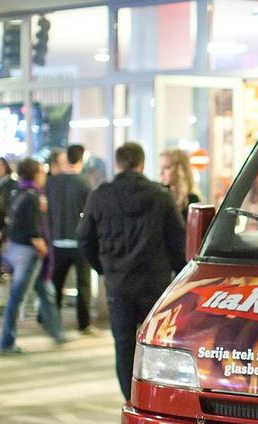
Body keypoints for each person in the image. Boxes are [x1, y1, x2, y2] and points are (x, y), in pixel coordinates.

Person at [78, 142, 186, 399]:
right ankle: (156, 400)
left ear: (117, 164)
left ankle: (131, 399)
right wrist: (177, 276)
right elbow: (178, 241)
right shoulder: (160, 196)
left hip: (119, 284)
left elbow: (84, 239)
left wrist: (103, 268)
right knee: (158, 346)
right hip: (155, 284)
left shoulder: (99, 196)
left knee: (124, 346)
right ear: (142, 164)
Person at [0, 158, 66, 353]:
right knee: (17, 297)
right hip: (28, 253)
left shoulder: (18, 192)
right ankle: (6, 341)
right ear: (35, 174)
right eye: (42, 172)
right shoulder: (33, 196)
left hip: (17, 249)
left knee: (45, 293)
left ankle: (57, 332)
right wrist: (41, 246)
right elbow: (33, 228)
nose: (44, 176)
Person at [46, 144, 93, 333]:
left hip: (57, 240)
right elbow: (90, 214)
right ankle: (83, 323)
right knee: (83, 284)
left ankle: (53, 320)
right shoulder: (85, 183)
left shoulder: (52, 182)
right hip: (79, 242)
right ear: (82, 159)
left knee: (56, 283)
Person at [159, 148, 200, 222]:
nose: (161, 172)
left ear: (180, 169)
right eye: (161, 168)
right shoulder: (159, 195)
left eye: (167, 167)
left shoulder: (192, 199)